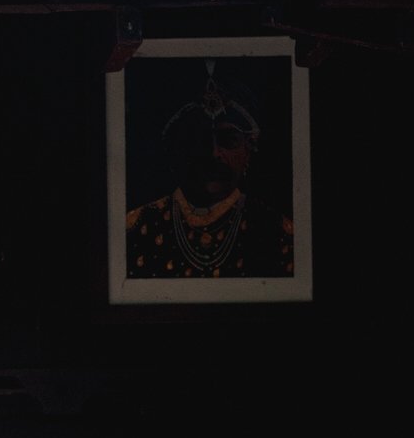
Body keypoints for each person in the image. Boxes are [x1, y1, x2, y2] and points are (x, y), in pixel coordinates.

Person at [126, 67, 294, 280]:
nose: (213, 153)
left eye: (229, 140)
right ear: (173, 149)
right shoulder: (135, 229)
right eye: (197, 140)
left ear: (248, 150)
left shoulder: (278, 234)